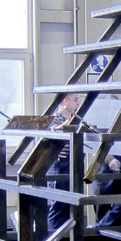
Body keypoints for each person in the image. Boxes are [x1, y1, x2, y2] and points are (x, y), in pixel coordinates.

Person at [46, 93, 81, 232]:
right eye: (75, 99)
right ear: (65, 101)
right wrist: (68, 125)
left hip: (74, 162)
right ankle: (54, 235)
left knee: (71, 204)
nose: (78, 103)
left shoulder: (77, 118)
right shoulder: (54, 118)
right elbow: (51, 133)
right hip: (59, 164)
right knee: (59, 204)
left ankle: (68, 234)